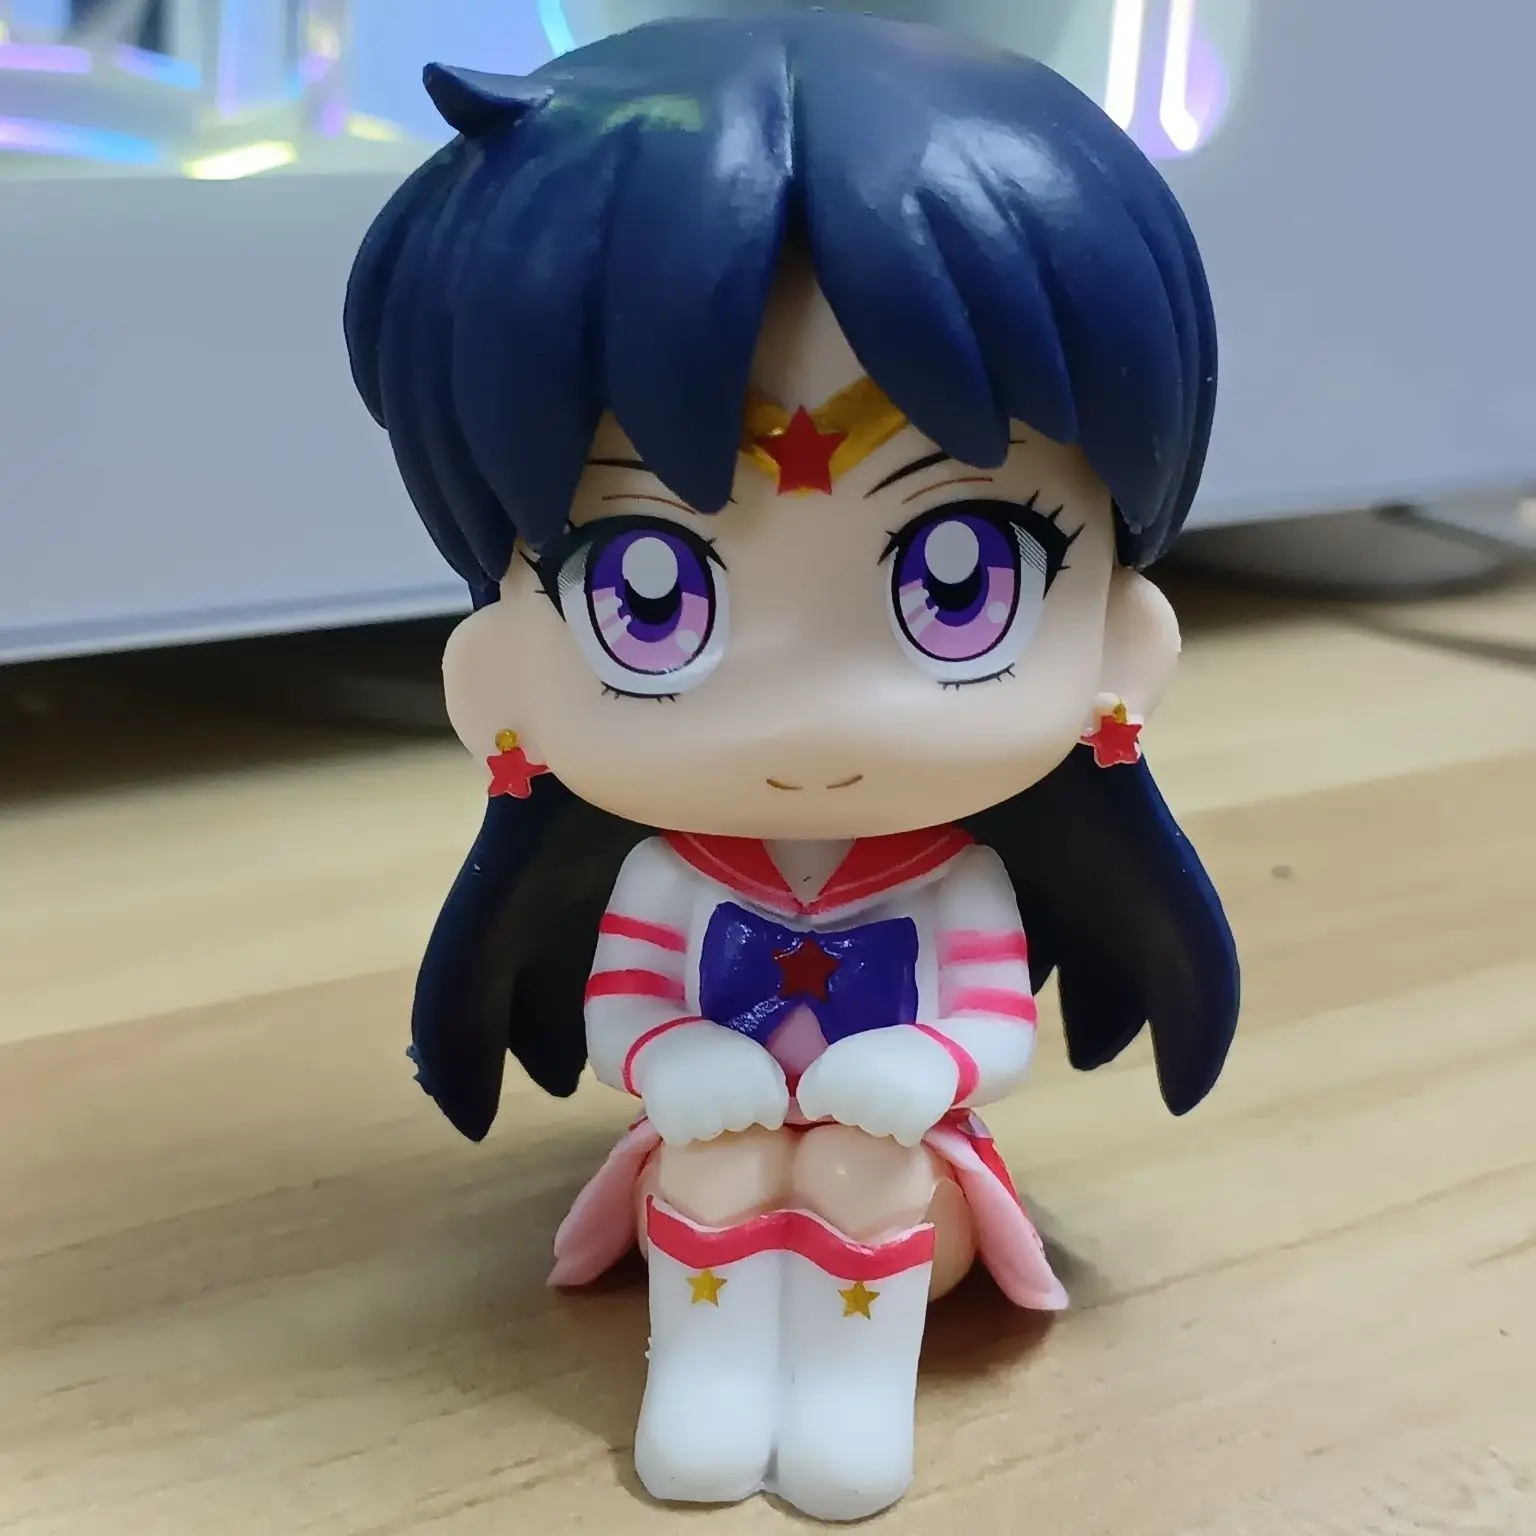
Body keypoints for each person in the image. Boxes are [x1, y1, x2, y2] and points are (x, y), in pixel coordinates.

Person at [343, 12, 1239, 1522]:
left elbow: (985, 1022)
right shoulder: (664, 876)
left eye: (963, 577)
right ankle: (704, 1383)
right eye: (645, 592)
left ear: (1119, 647)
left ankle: (848, 1394)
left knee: (866, 1181)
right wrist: (680, 1065)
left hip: (905, 1167)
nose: (812, 715)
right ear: (498, 678)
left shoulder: (953, 877)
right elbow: (635, 1008)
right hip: (707, 1149)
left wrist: (923, 1070)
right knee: (714, 1179)